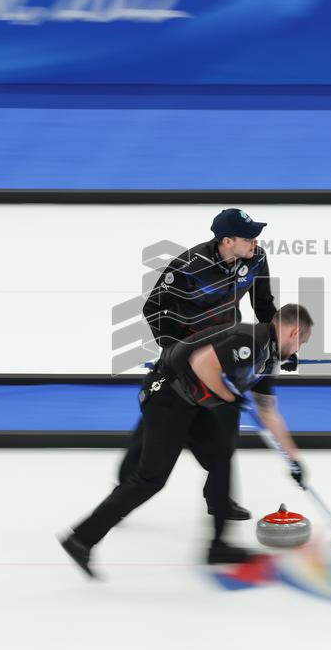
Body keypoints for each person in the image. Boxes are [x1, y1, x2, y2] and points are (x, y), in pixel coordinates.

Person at [60, 304, 313, 576]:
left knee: (220, 457)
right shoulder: (250, 340)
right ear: (295, 331)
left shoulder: (267, 356)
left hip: (191, 402)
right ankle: (81, 539)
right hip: (166, 396)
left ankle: (218, 546)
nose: (298, 351)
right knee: (150, 479)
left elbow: (268, 410)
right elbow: (202, 364)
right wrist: (231, 398)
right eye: (302, 342)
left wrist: (294, 460)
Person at [119, 208, 296, 522]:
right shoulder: (189, 267)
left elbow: (264, 304)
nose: (255, 241)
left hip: (225, 352)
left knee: (225, 423)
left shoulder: (256, 260)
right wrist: (175, 350)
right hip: (183, 353)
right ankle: (127, 477)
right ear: (226, 240)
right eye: (248, 237)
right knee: (162, 414)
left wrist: (277, 345)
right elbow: (153, 308)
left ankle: (219, 500)